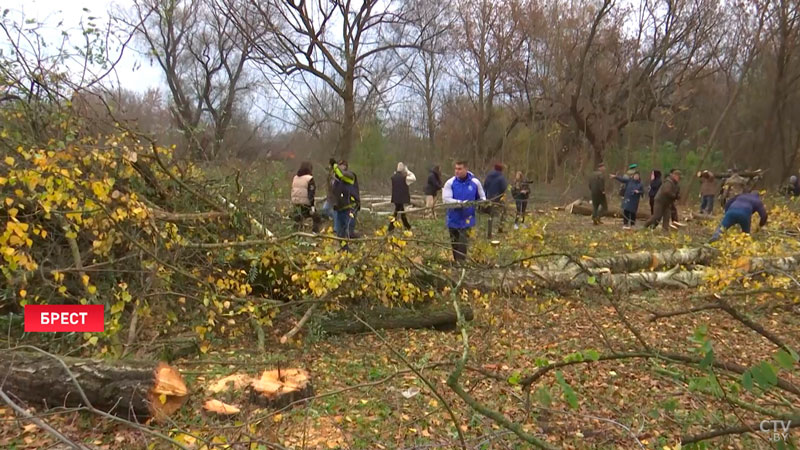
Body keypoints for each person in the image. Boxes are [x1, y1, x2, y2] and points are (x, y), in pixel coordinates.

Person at [442, 160, 486, 263]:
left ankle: (460, 265)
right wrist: (460, 203)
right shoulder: (450, 183)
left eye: (460, 169)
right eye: (456, 169)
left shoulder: (475, 182)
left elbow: (483, 197)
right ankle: (457, 262)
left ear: (466, 169)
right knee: (455, 244)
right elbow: (446, 200)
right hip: (453, 219)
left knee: (463, 244)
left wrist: (478, 203)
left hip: (467, 220)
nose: (457, 171)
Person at [331, 159, 360, 242]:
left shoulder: (350, 176)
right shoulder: (336, 180)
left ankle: (358, 242)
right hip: (340, 208)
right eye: (339, 165)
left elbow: (342, 175)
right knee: (340, 234)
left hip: (350, 207)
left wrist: (335, 166)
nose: (341, 167)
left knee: (349, 232)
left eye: (342, 165)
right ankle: (344, 250)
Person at [290, 161, 321, 233]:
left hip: (295, 202)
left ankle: (295, 233)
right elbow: (311, 193)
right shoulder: (310, 179)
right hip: (305, 203)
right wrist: (312, 206)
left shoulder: (295, 177)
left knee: (298, 218)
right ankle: (315, 233)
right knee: (317, 217)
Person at [484, 163, 508, 238]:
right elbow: (504, 188)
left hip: (489, 198)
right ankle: (500, 229)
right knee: (503, 212)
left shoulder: (489, 176)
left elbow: (485, 186)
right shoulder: (501, 177)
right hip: (498, 198)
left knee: (490, 215)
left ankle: (489, 232)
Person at [390, 162, 416, 230]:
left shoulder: (393, 177)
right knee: (399, 213)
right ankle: (392, 227)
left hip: (395, 198)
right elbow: (414, 178)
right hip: (401, 198)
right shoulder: (405, 177)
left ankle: (392, 227)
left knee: (399, 212)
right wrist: (407, 171)